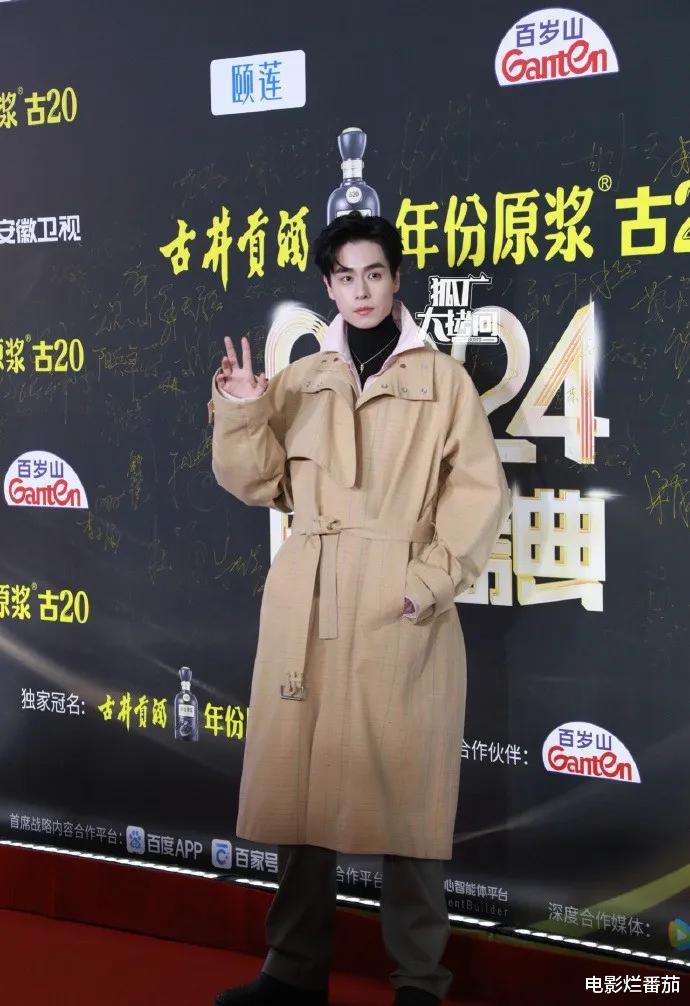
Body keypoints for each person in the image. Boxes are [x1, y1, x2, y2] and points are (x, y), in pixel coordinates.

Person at [207, 214, 511, 1006]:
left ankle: (419, 983)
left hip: (399, 605)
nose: (362, 290)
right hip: (308, 600)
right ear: (329, 286)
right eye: (345, 277)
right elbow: (259, 482)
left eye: (375, 273)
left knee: (410, 801)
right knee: (300, 794)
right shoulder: (303, 379)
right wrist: (242, 408)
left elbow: (478, 492)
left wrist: (428, 582)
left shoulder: (442, 381)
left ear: (396, 278)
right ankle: (292, 970)